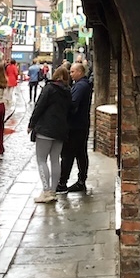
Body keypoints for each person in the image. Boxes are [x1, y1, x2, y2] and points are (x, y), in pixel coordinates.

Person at [28, 65, 72, 203]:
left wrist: (31, 124)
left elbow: (39, 106)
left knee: (41, 159)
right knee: (55, 160)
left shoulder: (50, 88)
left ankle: (46, 191)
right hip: (60, 131)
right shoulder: (68, 92)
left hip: (45, 129)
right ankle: (53, 191)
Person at [56, 60, 93, 193]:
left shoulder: (81, 86)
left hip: (75, 126)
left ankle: (62, 183)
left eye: (72, 71)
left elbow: (72, 104)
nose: (70, 74)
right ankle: (81, 181)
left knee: (68, 154)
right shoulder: (82, 84)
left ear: (79, 72)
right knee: (80, 154)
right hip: (81, 124)